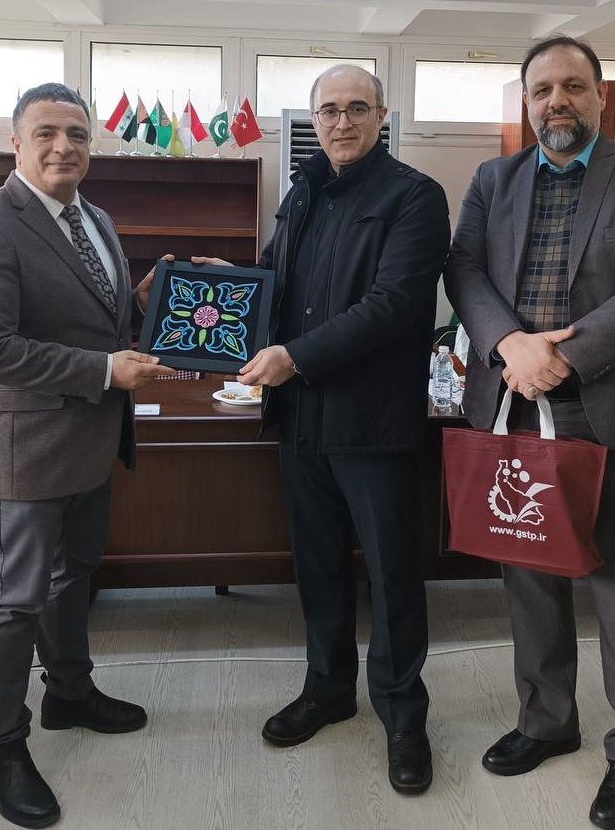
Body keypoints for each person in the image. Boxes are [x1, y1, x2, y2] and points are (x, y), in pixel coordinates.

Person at [444, 36, 615, 830]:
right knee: (530, 572)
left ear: (600, 94)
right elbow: (463, 269)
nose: (557, 100)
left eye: (573, 86)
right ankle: (548, 720)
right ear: (527, 101)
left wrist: (566, 355)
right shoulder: (494, 180)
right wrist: (509, 345)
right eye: (542, 89)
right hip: (516, 400)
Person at [198, 64, 449, 794]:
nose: (342, 122)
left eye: (357, 108)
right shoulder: (301, 191)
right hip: (301, 420)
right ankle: (329, 689)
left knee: (393, 575)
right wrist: (229, 281)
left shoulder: (414, 196)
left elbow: (394, 304)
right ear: (315, 120)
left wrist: (295, 357)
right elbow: (279, 283)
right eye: (330, 110)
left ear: (382, 116)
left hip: (374, 423)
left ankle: (402, 713)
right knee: (318, 567)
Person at [0, 83, 171, 828]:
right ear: (15, 143)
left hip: (91, 444)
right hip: (26, 451)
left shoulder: (94, 219)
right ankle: (2, 747)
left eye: (76, 133)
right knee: (13, 601)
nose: (62, 146)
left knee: (75, 576)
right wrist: (105, 370)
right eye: (45, 132)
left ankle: (69, 692)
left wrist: (146, 298)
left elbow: (99, 317)